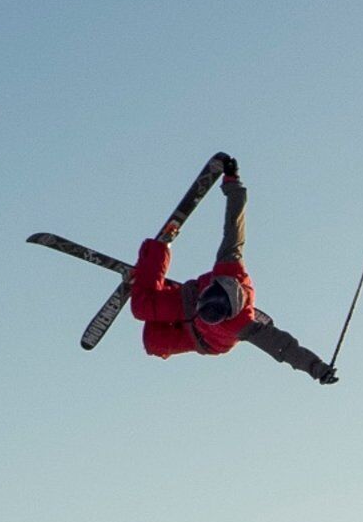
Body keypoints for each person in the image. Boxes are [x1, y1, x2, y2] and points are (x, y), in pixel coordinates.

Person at [128, 156, 336, 382]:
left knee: (153, 342)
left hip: (201, 339)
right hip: (187, 302)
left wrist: (317, 369)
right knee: (141, 308)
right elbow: (234, 223)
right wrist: (232, 180)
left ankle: (154, 287)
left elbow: (284, 348)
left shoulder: (244, 325)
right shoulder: (229, 266)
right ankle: (157, 256)